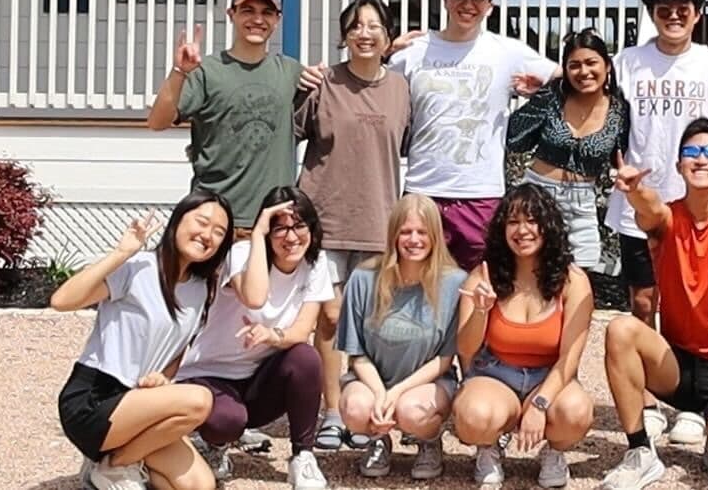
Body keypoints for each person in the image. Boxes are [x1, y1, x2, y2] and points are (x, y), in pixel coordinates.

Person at [606, 0, 708, 447]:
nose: (674, 16)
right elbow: (582, 79)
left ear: (698, 13)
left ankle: (694, 404)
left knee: (697, 298)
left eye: (683, 8)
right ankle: (650, 401)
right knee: (644, 302)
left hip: (700, 204)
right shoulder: (629, 61)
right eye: (664, 9)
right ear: (652, 14)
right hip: (644, 203)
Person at [601, 118, 708, 490]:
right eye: (692, 152)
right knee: (621, 328)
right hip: (678, 365)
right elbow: (649, 208)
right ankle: (640, 452)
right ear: (679, 165)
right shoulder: (668, 217)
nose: (702, 159)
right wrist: (634, 190)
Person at [53, 191, 233, 490]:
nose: (207, 235)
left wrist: (163, 376)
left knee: (200, 485)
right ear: (177, 221)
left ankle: (116, 462)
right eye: (202, 222)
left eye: (219, 232)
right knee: (199, 401)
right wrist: (121, 253)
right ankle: (116, 465)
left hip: (141, 404)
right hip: (93, 399)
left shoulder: (201, 289)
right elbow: (62, 300)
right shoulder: (139, 267)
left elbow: (177, 350)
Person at [294, 0, 412, 451]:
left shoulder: (401, 87)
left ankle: (364, 409)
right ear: (344, 36)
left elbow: (405, 144)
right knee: (328, 316)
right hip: (323, 217)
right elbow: (292, 127)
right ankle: (330, 410)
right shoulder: (323, 82)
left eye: (374, 26)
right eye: (355, 26)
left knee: (369, 321)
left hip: (378, 219)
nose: (364, 33)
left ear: (387, 37)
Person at [391, 0, 558, 274]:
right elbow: (375, 86)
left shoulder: (507, 51)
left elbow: (568, 76)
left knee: (480, 283)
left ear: (489, 7)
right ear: (445, 0)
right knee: (415, 278)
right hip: (423, 188)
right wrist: (386, 50)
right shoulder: (413, 52)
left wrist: (542, 92)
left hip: (480, 192)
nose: (468, 5)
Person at [177, 187, 335, 490]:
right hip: (209, 374)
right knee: (228, 423)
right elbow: (253, 297)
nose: (290, 237)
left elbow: (302, 331)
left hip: (257, 379)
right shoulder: (241, 254)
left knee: (305, 357)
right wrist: (258, 235)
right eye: (279, 228)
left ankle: (303, 457)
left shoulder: (316, 264)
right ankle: (216, 446)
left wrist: (272, 336)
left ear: (312, 229)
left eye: (299, 225)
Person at [452, 182, 597, 488]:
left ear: (549, 226)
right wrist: (481, 310)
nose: (523, 230)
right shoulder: (484, 275)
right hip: (495, 373)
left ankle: (554, 452)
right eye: (513, 222)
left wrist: (540, 404)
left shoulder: (573, 280)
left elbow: (570, 355)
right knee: (472, 417)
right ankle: (489, 447)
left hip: (550, 374)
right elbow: (465, 349)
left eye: (532, 221)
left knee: (576, 411)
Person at [147, 0, 307, 232]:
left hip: (272, 221)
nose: (257, 19)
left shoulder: (291, 72)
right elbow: (157, 122)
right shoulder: (207, 70)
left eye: (267, 12)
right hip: (215, 219)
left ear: (277, 19)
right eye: (247, 10)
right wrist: (179, 72)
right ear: (231, 14)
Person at [336, 194, 468, 481]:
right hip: (371, 378)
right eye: (406, 231)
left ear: (435, 236)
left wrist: (394, 395)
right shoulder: (363, 279)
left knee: (412, 411)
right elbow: (356, 353)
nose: (414, 240)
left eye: (422, 232)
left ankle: (429, 441)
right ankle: (377, 440)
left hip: (428, 382)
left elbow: (444, 360)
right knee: (356, 408)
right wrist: (381, 394)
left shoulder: (454, 283)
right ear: (393, 235)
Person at [505, 28, 630, 270]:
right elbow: (515, 138)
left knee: (582, 271)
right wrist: (541, 93)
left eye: (591, 63)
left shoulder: (619, 111)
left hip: (582, 200)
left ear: (607, 66)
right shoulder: (553, 97)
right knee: (532, 270)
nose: (584, 72)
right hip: (538, 193)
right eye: (574, 65)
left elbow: (623, 157)